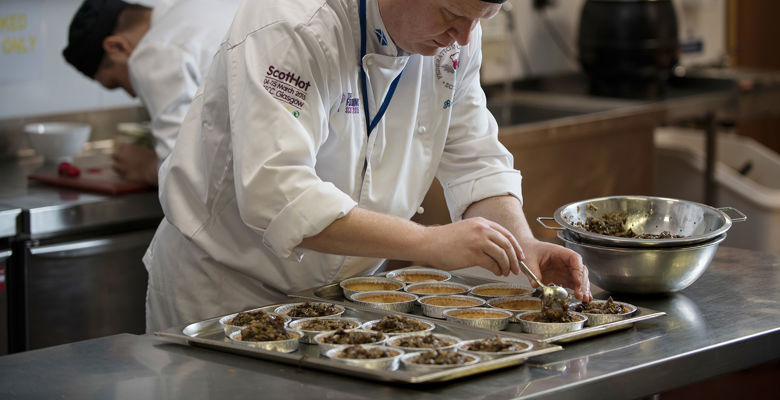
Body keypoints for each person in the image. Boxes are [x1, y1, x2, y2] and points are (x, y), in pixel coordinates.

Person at [144, 0, 593, 331]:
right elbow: (278, 194)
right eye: (451, 15)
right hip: (225, 292)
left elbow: (475, 161)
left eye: (482, 19)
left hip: (344, 299)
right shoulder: (290, 23)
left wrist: (523, 247)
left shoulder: (455, 39)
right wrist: (427, 242)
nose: (465, 37)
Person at [62, 0, 241, 184]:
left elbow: (184, 176)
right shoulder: (201, 9)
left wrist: (145, 166)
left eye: (116, 83)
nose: (132, 95)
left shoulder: (155, 52)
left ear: (116, 47)